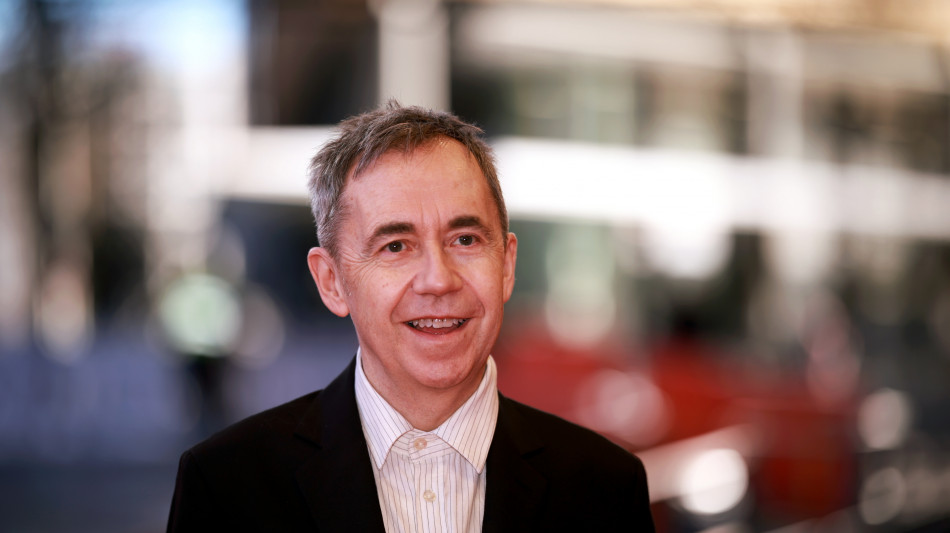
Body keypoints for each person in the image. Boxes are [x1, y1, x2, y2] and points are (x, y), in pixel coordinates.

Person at [166, 102, 655, 532]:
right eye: (396, 246)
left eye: (465, 240)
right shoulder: (227, 487)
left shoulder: (607, 488)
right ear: (331, 281)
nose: (438, 281)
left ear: (506, 266)